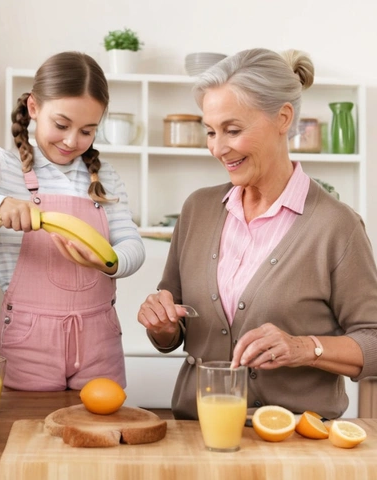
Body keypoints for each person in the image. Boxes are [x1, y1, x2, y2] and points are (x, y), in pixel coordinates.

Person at [137, 48, 377, 420]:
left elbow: (373, 340)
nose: (218, 148)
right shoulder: (197, 210)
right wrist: (163, 324)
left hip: (292, 440)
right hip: (196, 432)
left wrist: (303, 347)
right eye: (211, 132)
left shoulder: (336, 227)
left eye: (233, 130)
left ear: (283, 118)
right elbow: (174, 329)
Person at [0, 51, 145, 391]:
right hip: (29, 338)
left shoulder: (106, 177)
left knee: (101, 430)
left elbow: (131, 243)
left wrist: (110, 262)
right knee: (27, 432)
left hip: (100, 337)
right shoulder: (2, 167)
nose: (72, 141)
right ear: (33, 107)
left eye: (87, 130)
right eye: (61, 125)